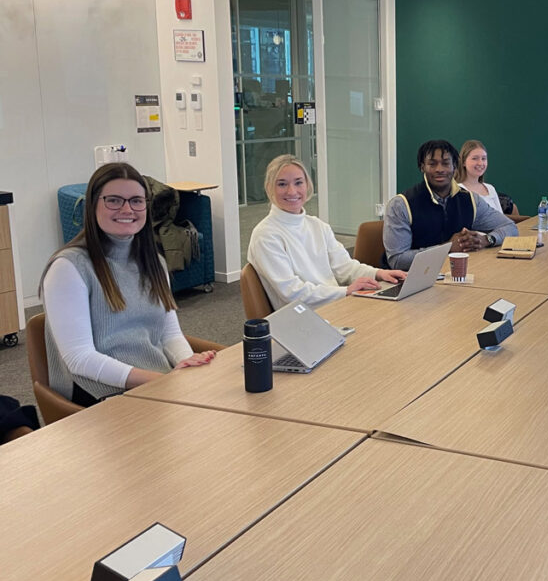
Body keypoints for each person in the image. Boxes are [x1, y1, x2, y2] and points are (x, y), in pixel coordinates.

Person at [40, 163, 216, 406]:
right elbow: (79, 359)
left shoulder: (154, 262)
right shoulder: (69, 268)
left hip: (156, 381)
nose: (127, 209)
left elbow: (169, 335)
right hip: (100, 393)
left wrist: (186, 365)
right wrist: (160, 381)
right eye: (113, 200)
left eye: (136, 200)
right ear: (93, 205)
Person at [248, 155, 407, 310]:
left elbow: (345, 268)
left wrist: (380, 273)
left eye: (298, 183)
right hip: (303, 318)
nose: (292, 191)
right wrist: (345, 291)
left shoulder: (317, 225)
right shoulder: (265, 235)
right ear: (269, 188)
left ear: (307, 185)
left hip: (335, 306)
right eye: (282, 184)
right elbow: (292, 292)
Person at [383, 139, 518, 270]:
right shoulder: (401, 205)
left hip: (457, 275)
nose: (439, 169)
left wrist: (487, 240)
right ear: (422, 167)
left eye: (446, 163)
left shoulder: (471, 200)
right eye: (432, 164)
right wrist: (447, 248)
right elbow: (397, 260)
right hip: (411, 281)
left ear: (455, 166)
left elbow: (510, 227)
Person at [455, 139, 518, 216]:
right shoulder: (458, 191)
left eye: (483, 158)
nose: (480, 163)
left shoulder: (490, 188)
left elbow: (501, 219)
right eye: (475, 158)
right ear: (463, 162)